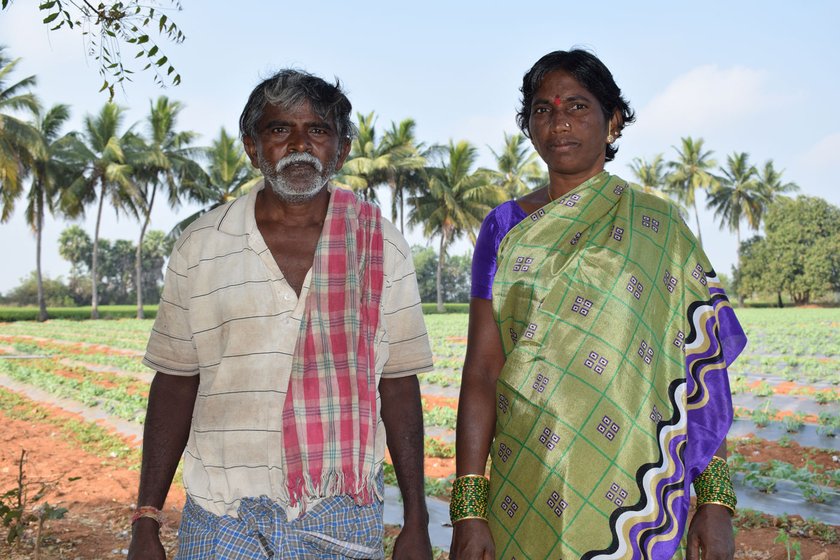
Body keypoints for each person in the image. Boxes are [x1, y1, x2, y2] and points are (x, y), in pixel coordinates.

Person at [450, 50, 746, 560]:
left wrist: (714, 501)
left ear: (612, 122)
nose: (559, 121)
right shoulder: (503, 228)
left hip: (637, 484)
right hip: (527, 477)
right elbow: (481, 371)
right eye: (542, 109)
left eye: (577, 106)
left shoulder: (660, 227)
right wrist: (469, 509)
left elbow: (701, 371)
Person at [127, 69, 434, 560]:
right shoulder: (202, 246)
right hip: (221, 516)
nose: (298, 145)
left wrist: (416, 519)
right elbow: (176, 381)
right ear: (252, 147)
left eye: (317, 130)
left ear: (342, 149)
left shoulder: (379, 246)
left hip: (341, 514)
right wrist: (147, 517)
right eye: (278, 130)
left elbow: (397, 384)